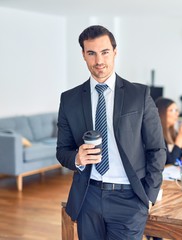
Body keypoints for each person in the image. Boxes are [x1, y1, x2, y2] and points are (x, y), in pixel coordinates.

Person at [56, 25, 166, 240]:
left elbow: (157, 148)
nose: (99, 61)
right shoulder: (69, 99)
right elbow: (62, 150)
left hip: (129, 199)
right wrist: (77, 158)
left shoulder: (139, 95)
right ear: (83, 55)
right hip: (88, 196)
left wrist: (149, 196)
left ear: (115, 52)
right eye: (91, 53)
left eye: (105, 52)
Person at [155, 97, 182, 164]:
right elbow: (170, 161)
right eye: (172, 110)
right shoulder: (157, 134)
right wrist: (180, 136)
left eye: (176, 110)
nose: (177, 114)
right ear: (161, 112)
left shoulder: (173, 132)